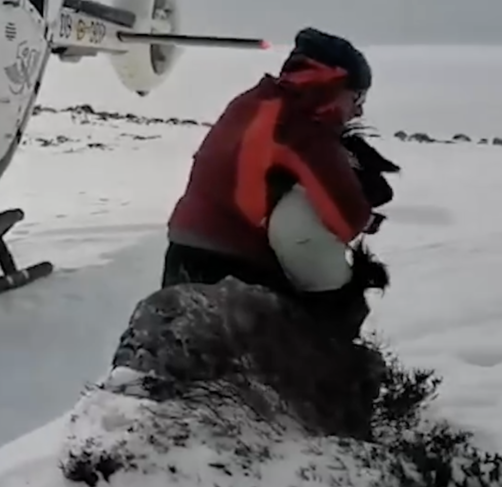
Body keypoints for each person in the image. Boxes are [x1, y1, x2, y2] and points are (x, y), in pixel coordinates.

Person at [161, 28, 396, 339]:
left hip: (182, 252)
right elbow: (345, 217)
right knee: (332, 326)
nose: (359, 110)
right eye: (357, 97)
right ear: (333, 83)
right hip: (233, 265)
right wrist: (367, 218)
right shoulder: (303, 123)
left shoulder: (253, 100)